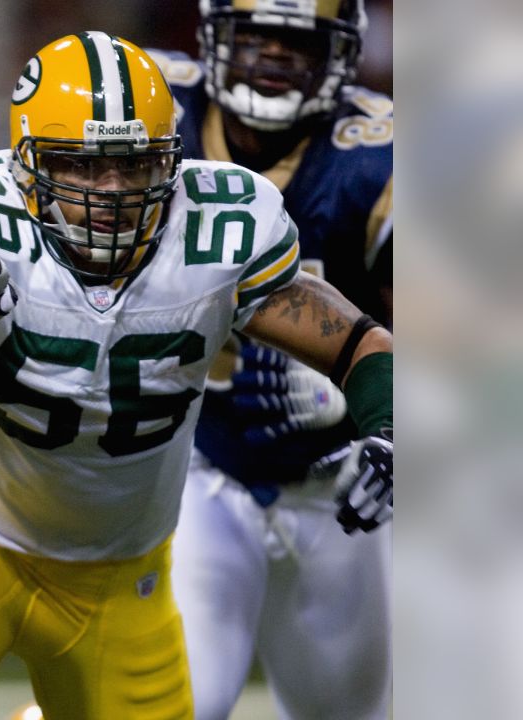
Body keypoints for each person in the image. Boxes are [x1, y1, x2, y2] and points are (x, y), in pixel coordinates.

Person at [0, 30, 392, 720]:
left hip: (123, 580)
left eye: (134, 165)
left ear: (171, 158)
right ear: (26, 163)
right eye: (80, 165)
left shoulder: (224, 225)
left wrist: (389, 423)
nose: (111, 191)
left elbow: (357, 344)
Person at [145, 2, 394, 718]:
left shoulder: (375, 160)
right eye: (254, 36)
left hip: (343, 483)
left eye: (296, 42)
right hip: (192, 466)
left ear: (342, 55)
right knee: (181, 701)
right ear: (214, 35)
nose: (273, 58)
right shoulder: (156, 113)